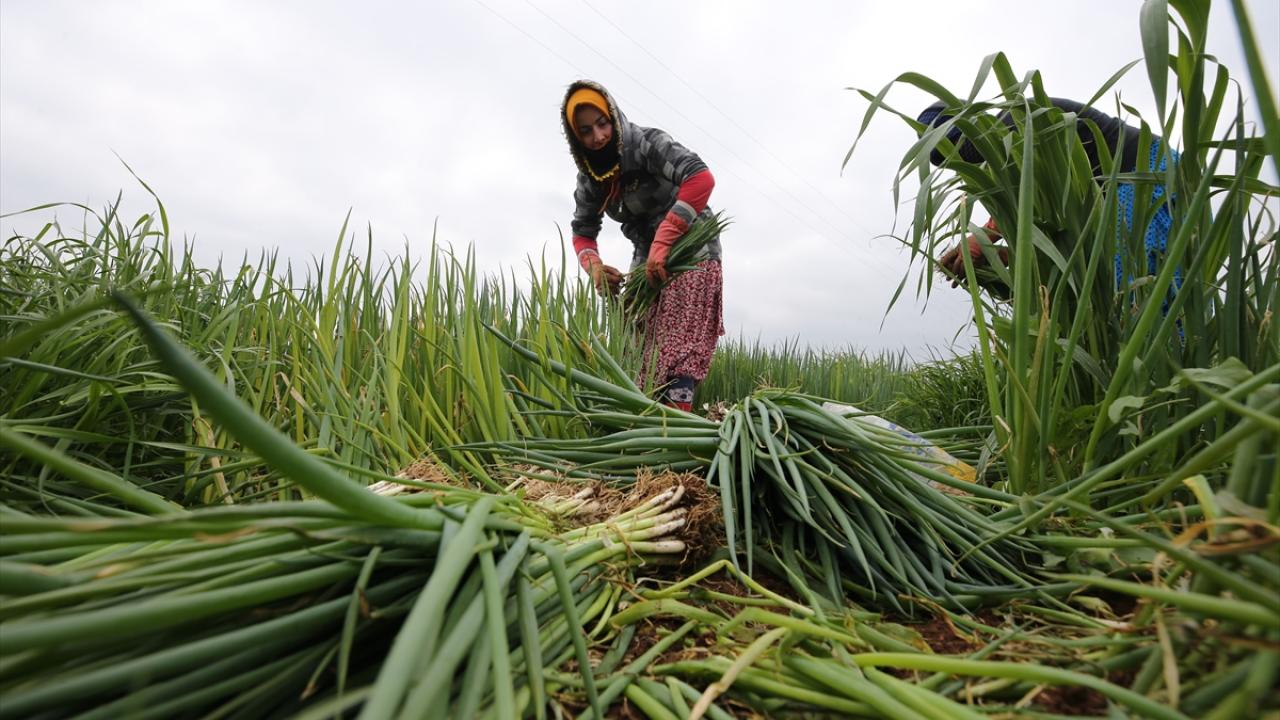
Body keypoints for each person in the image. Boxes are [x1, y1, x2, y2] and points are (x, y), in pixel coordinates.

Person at [560, 80, 724, 412]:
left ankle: (676, 429)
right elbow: (582, 232)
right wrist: (595, 269)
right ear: (576, 138)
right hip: (646, 254)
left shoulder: (646, 144)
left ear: (613, 116)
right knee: (632, 344)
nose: (598, 137)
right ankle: (641, 426)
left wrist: (666, 237)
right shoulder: (590, 177)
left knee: (677, 345)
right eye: (586, 131)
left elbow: (700, 178)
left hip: (691, 247)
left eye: (603, 124)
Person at [918, 98, 1178, 294]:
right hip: (1117, 196)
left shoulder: (1014, 120)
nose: (967, 158)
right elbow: (1057, 232)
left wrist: (983, 239)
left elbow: (1024, 201)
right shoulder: (1003, 163)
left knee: (1142, 286)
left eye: (961, 147)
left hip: (1144, 174)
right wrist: (1004, 256)